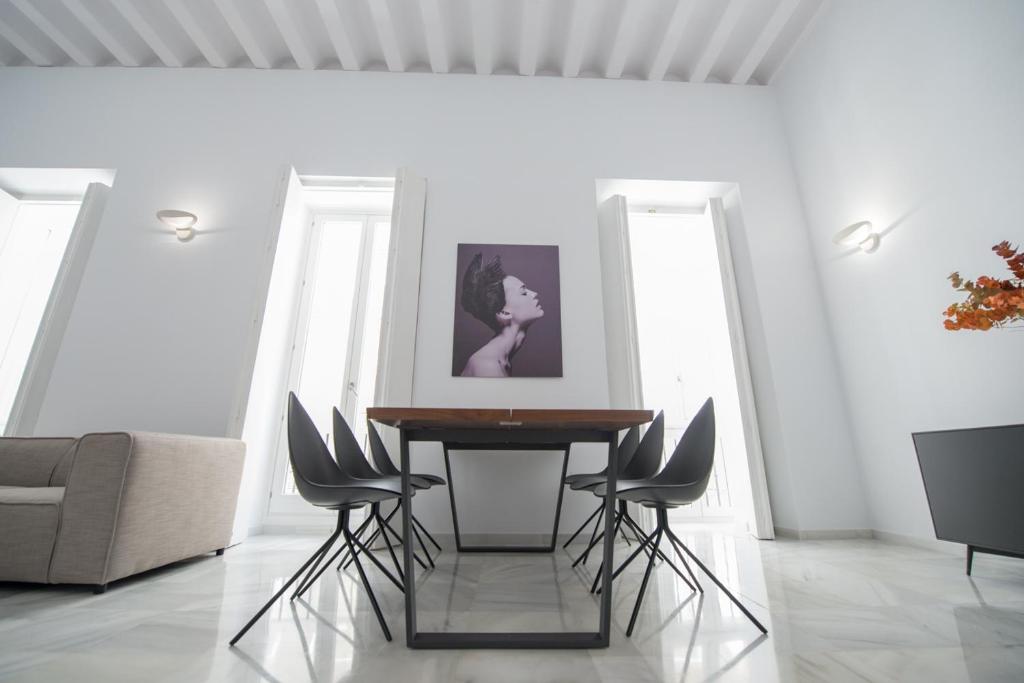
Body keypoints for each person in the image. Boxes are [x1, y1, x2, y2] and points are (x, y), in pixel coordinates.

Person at [459, 252, 544, 377]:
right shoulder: (488, 367)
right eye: (523, 292)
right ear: (504, 313)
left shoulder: (502, 360)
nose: (534, 293)